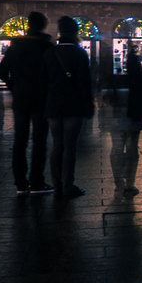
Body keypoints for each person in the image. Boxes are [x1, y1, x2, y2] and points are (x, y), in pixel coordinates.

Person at [47, 17, 95, 198]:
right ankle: (68, 184)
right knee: (70, 146)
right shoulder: (80, 54)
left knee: (57, 144)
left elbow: (43, 81)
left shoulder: (50, 53)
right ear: (75, 32)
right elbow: (85, 83)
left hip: (53, 106)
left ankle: (56, 183)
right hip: (73, 106)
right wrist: (88, 104)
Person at [6, 14, 54, 195]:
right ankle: (37, 182)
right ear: (43, 25)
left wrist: (15, 85)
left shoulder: (16, 46)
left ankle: (20, 182)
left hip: (21, 97)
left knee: (20, 140)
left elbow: (2, 70)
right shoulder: (47, 47)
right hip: (40, 98)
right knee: (39, 141)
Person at [116, 48, 142, 195]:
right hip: (135, 112)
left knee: (118, 147)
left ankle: (119, 182)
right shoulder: (139, 75)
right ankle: (129, 182)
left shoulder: (118, 76)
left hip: (119, 112)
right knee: (132, 147)